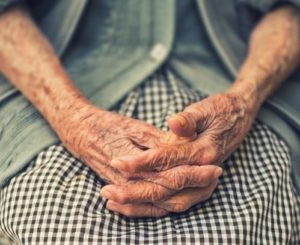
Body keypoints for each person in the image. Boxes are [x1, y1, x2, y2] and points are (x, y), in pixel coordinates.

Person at [0, 0, 299, 244]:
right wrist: (73, 118)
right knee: (64, 228)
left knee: (246, 226)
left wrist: (243, 101)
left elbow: (291, 12)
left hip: (236, 83)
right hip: (56, 90)